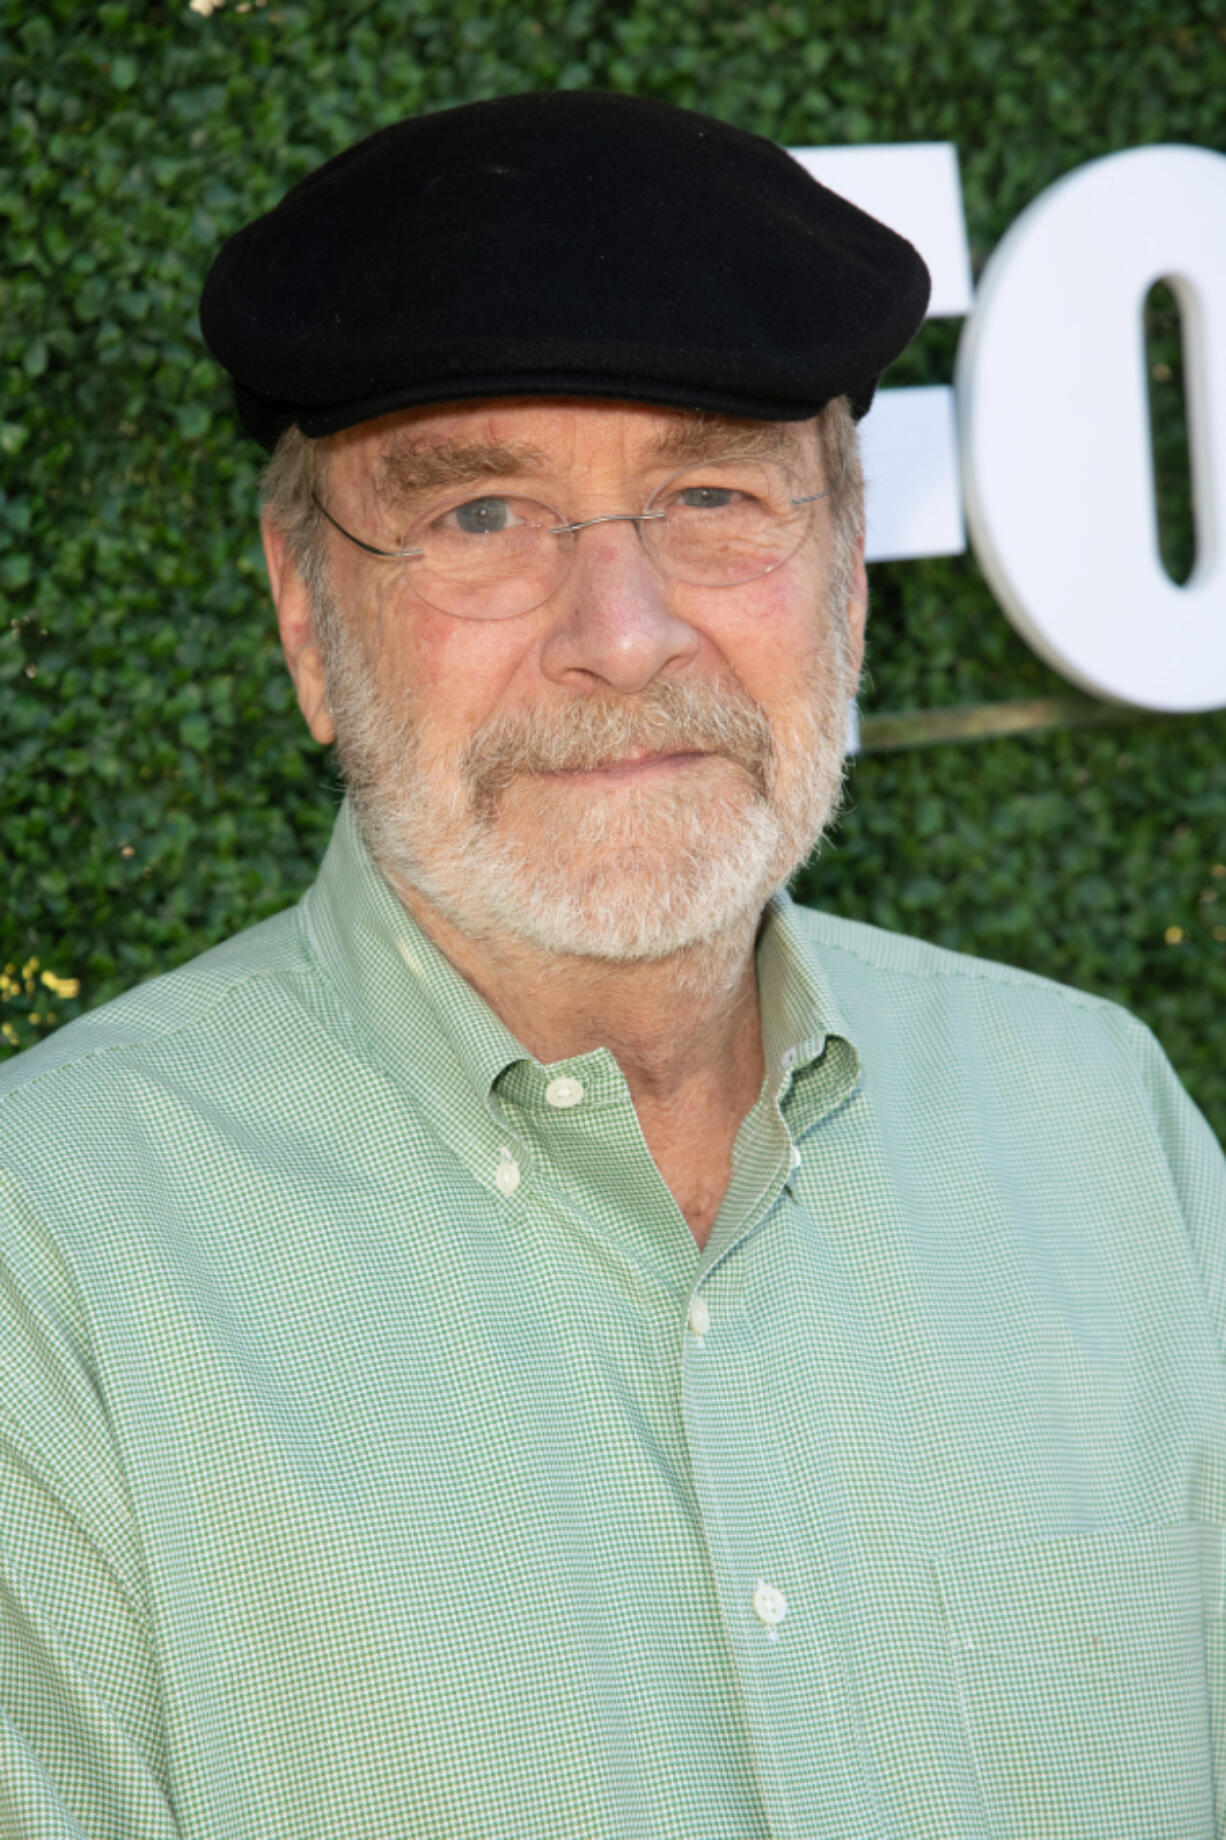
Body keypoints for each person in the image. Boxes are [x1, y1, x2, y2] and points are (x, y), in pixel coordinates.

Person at [1, 90, 1223, 1840]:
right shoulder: (48, 1260)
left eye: (713, 495)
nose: (624, 634)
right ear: (303, 613)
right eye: (481, 516)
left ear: (848, 570)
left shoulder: (1102, 1128)